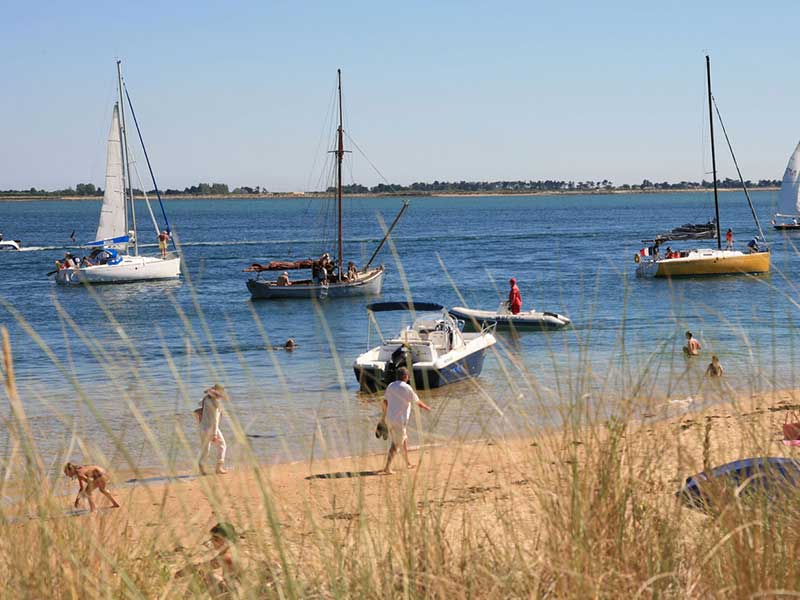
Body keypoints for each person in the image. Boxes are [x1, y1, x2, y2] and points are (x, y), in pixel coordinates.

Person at [380, 367, 432, 474]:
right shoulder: (407, 388)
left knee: (403, 439)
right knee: (395, 444)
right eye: (408, 376)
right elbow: (417, 402)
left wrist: (383, 417)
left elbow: (385, 402)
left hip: (389, 418)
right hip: (399, 421)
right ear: (406, 376)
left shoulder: (391, 385)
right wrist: (427, 408)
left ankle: (407, 463)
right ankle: (387, 468)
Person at [175, 522, 240, 593]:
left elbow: (205, 566)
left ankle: (185, 597)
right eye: (212, 539)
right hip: (231, 591)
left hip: (233, 594)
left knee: (201, 575)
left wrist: (184, 571)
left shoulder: (227, 556)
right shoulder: (231, 551)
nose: (213, 542)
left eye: (216, 539)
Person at [197, 384, 228, 475]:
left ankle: (201, 465)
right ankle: (219, 467)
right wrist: (214, 434)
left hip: (202, 427)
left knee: (205, 449)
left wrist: (208, 392)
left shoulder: (206, 399)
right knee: (222, 445)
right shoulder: (216, 403)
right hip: (211, 428)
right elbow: (215, 419)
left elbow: (199, 403)